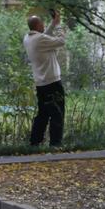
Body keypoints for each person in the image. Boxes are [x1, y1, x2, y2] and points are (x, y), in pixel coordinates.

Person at [23, 10, 66, 149]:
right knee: (57, 113)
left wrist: (53, 24)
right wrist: (58, 26)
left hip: (40, 84)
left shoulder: (28, 38)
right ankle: (55, 144)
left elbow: (43, 36)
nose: (44, 25)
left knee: (43, 114)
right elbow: (61, 41)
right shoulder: (40, 39)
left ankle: (34, 142)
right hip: (52, 82)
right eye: (42, 23)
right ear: (37, 26)